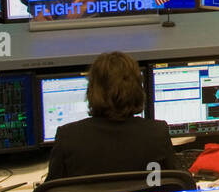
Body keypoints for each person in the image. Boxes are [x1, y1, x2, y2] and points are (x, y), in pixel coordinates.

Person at [46, 51, 178, 180]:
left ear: (92, 90)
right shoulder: (157, 134)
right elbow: (181, 187)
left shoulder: (69, 137)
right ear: (138, 89)